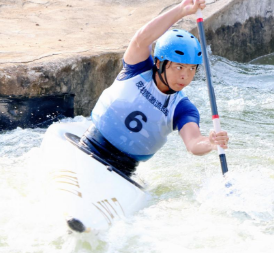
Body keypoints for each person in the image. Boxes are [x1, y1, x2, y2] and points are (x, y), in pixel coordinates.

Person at [80, 0, 229, 177]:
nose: (185, 76)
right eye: (179, 67)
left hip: (123, 172)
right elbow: (141, 38)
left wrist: (210, 143)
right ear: (159, 63)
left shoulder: (182, 109)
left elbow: (193, 143)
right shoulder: (137, 69)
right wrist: (181, 10)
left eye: (191, 69)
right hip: (89, 145)